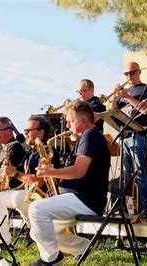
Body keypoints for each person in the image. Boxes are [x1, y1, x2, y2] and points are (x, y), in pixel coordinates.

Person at [29, 100, 110, 265]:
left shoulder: (91, 136)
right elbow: (76, 172)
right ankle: (85, 248)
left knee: (36, 209)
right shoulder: (84, 139)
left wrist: (49, 171)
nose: (67, 126)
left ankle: (51, 260)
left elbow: (78, 171)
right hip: (79, 198)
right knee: (36, 230)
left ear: (83, 121)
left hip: (86, 200)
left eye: (70, 121)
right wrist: (54, 171)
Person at [0, 115, 60, 248]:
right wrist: (16, 188)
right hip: (30, 194)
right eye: (25, 130)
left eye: (28, 130)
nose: (25, 133)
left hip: (45, 197)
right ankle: (4, 241)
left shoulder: (46, 151)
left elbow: (39, 182)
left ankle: (32, 228)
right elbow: (28, 179)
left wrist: (15, 173)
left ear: (40, 132)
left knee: (17, 197)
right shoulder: (32, 152)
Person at [109, 62, 147, 215]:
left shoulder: (146, 89)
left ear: (139, 72)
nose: (129, 76)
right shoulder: (124, 92)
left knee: (140, 172)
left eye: (132, 73)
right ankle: (129, 208)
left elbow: (145, 110)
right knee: (126, 175)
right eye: (126, 74)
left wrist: (127, 97)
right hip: (124, 135)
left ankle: (146, 208)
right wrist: (115, 98)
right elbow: (113, 112)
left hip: (138, 135)